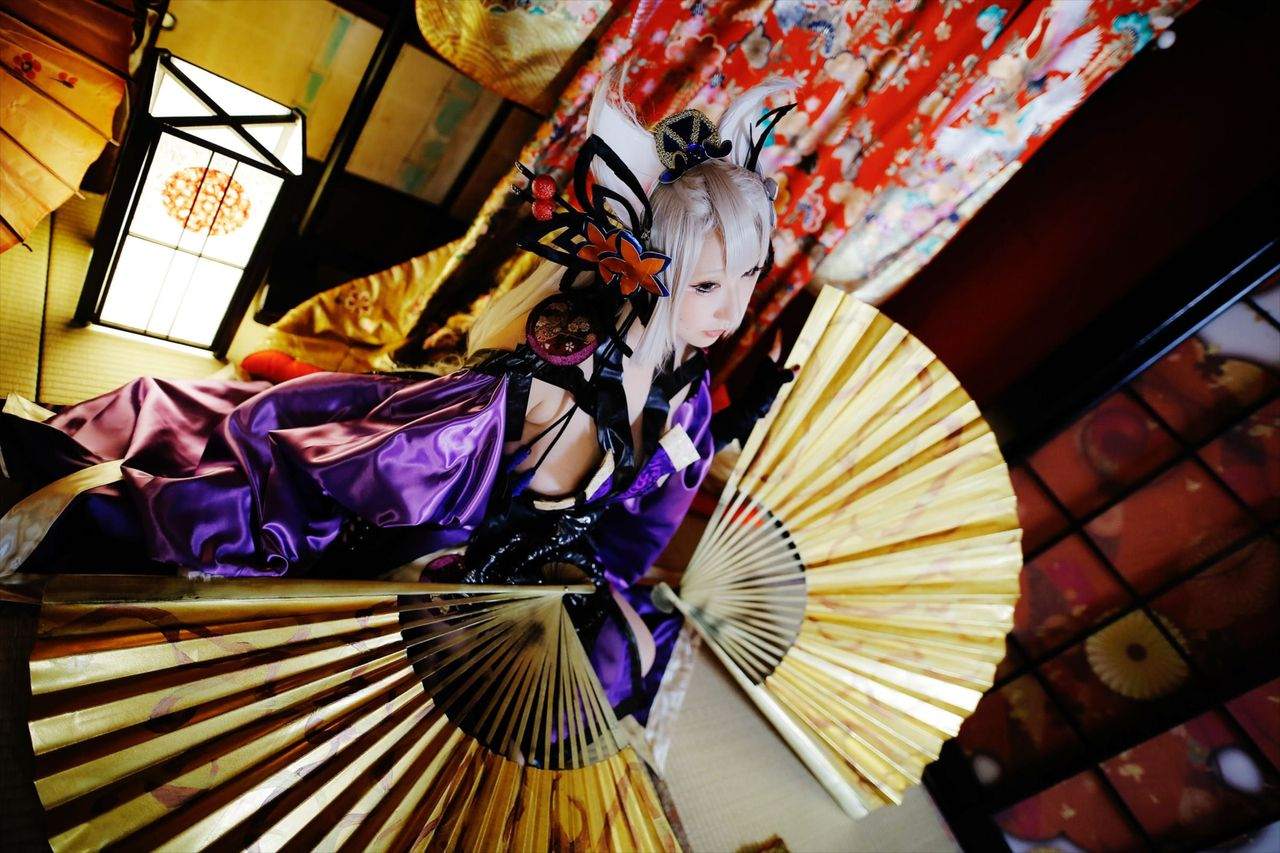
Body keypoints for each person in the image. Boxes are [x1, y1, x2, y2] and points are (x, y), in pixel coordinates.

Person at [0, 77, 797, 720]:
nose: (732, 311)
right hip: (437, 559)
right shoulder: (546, 387)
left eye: (749, 275)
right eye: (706, 285)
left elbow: (634, 537)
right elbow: (383, 472)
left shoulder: (687, 397)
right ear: (637, 267)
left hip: (546, 580)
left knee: (616, 665)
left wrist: (712, 436)